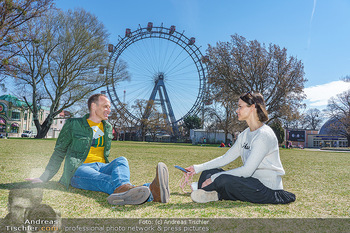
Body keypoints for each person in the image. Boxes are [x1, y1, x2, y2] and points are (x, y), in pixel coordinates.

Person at [26, 94, 170, 205]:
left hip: (102, 166)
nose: (109, 110)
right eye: (106, 106)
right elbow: (59, 152)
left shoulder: (107, 127)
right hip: (79, 169)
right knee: (107, 181)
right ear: (94, 106)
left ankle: (137, 191)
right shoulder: (73, 124)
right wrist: (43, 177)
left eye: (109, 107)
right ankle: (150, 190)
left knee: (121, 160)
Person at [186, 91, 296, 204]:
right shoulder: (245, 134)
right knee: (208, 172)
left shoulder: (264, 135)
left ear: (252, 107)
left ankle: (208, 191)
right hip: (249, 181)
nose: (237, 110)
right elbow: (226, 158)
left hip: (267, 188)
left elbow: (247, 171)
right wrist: (197, 168)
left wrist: (214, 178)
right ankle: (212, 193)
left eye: (240, 107)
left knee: (222, 178)